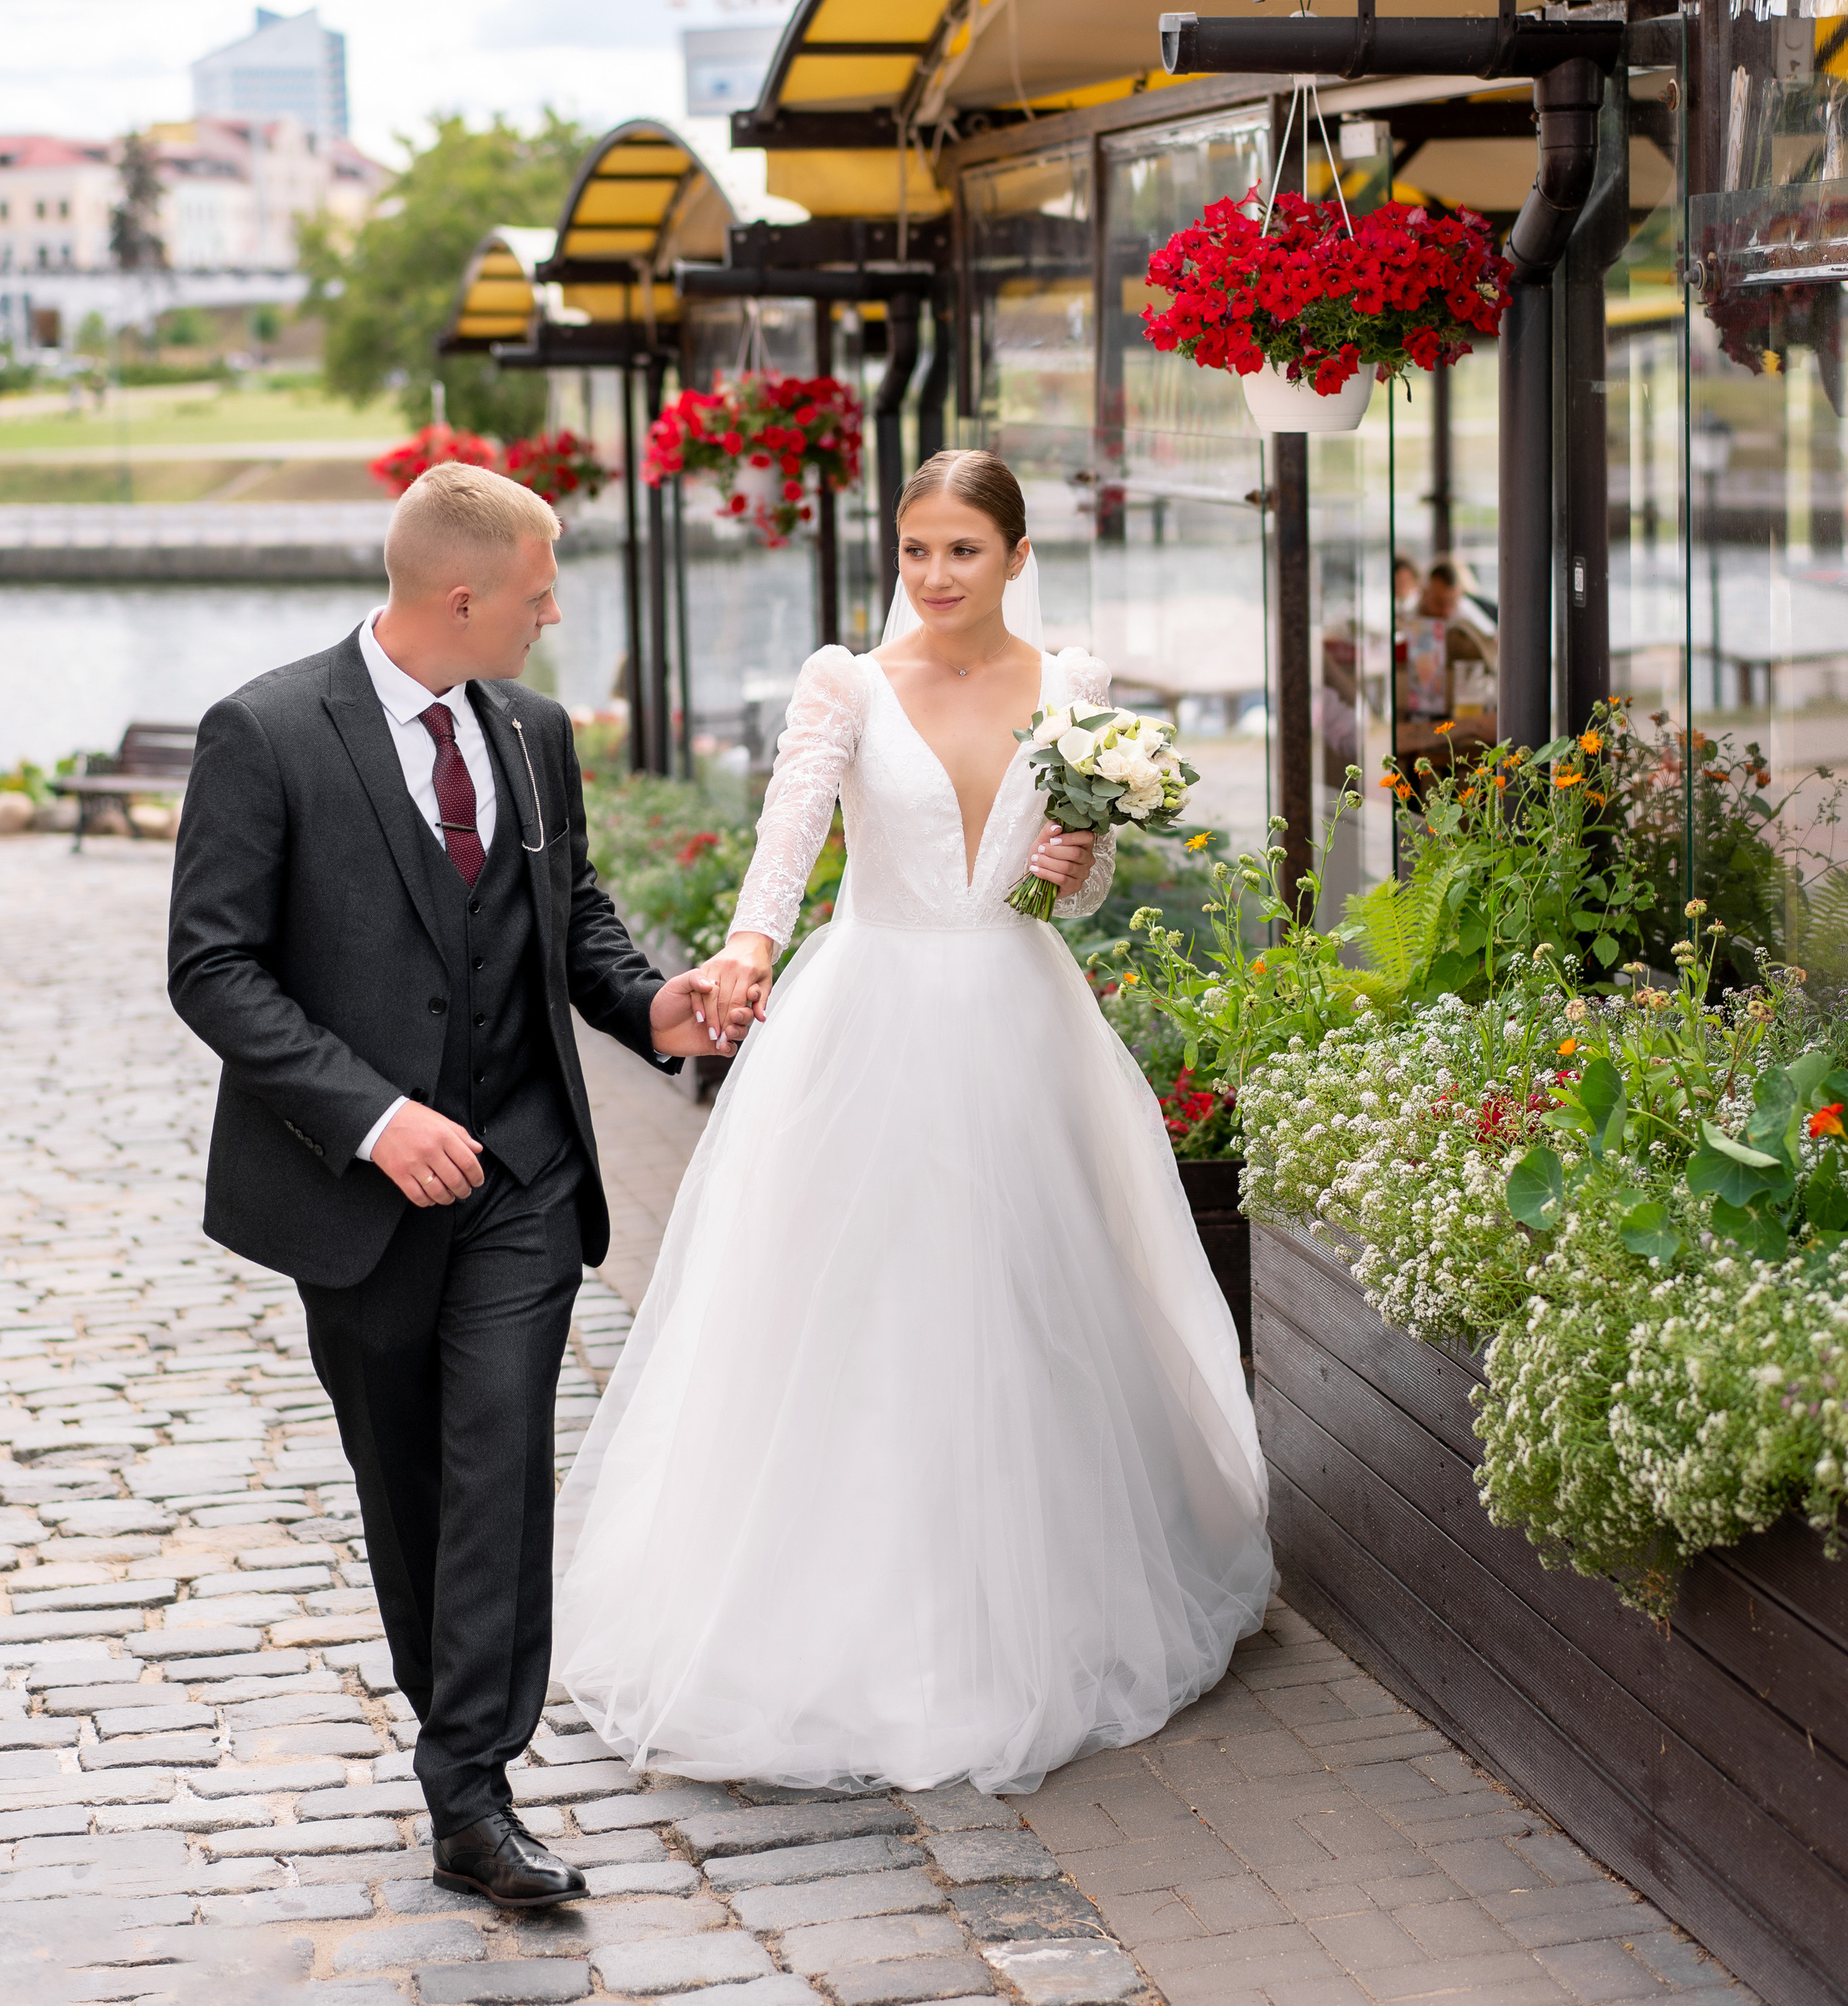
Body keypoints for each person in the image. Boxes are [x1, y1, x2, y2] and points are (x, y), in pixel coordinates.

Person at [554, 448, 1273, 1793]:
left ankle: (1032, 1608)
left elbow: (1085, 880)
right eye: (917, 550)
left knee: (1021, 1301)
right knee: (866, 1304)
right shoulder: (847, 683)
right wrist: (748, 953)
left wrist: (1078, 860)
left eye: (963, 552)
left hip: (1018, 1015)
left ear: (1014, 557)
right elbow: (786, 843)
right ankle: (847, 1611)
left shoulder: (1075, 691)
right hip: (871, 1012)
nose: (935, 577)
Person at [167, 463, 746, 1910]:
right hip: (358, 1196)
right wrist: (369, 1119)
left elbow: (574, 923)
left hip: (526, 1178)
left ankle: (473, 1789)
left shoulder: (537, 736)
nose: (556, 618)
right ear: (464, 597)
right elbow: (212, 967)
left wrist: (652, 1007)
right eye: (543, 594)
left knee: (497, 1463)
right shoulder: (268, 731)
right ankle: (459, 1739)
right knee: (408, 1478)